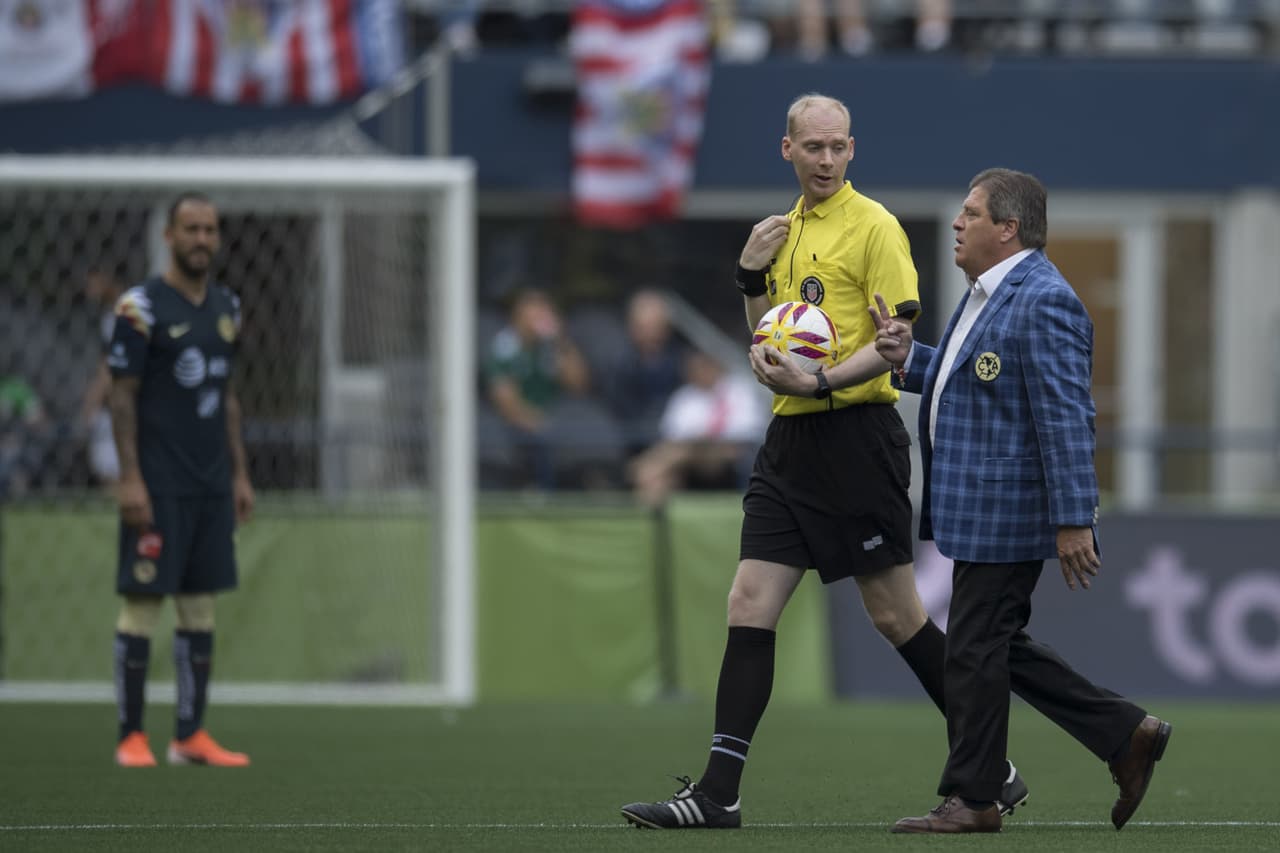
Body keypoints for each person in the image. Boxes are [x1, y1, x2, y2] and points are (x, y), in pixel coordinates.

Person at [619, 93, 1027, 830]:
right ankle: (718, 793)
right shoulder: (782, 232)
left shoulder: (875, 227)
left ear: (852, 147)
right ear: (788, 150)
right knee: (748, 603)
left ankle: (991, 764)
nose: (828, 160)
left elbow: (894, 340)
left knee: (896, 614)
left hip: (857, 435)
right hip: (790, 441)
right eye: (814, 147)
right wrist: (750, 279)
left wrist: (817, 379)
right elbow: (767, 343)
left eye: (838, 146)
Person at [872, 168, 1172, 834]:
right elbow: (971, 378)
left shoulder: (1043, 299)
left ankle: (975, 796)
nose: (957, 222)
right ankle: (1126, 734)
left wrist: (1074, 518)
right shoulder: (990, 293)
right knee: (991, 644)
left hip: (1008, 508)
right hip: (982, 508)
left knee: (975, 648)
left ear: (1007, 228)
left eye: (971, 213)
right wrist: (906, 356)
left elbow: (1067, 415)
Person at [108, 192, 255, 768]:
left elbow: (228, 398)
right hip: (158, 484)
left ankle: (189, 735)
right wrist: (130, 479)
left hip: (211, 486)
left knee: (200, 610)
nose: (201, 239)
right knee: (143, 603)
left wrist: (240, 473)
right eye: (190, 229)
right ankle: (130, 737)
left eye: (210, 230)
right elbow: (122, 399)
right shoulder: (139, 307)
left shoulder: (227, 306)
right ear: (168, 236)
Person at [627, 349, 766, 507]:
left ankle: (645, 470)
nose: (698, 372)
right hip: (689, 454)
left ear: (714, 366)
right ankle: (655, 517)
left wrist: (703, 439)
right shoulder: (684, 396)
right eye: (693, 369)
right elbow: (672, 434)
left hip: (731, 452)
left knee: (661, 464)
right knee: (663, 476)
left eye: (703, 367)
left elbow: (748, 430)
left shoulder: (738, 390)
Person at [484, 288, 590, 489]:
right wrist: (537, 422)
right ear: (518, 317)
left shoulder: (552, 345)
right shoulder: (505, 347)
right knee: (541, 439)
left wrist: (560, 341)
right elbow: (504, 400)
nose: (539, 319)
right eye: (533, 313)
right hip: (515, 422)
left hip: (555, 415)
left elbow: (579, 385)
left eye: (544, 313)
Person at [603, 289, 687, 457]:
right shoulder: (620, 368)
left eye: (656, 327)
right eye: (644, 328)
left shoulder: (684, 364)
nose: (650, 335)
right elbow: (620, 413)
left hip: (676, 444)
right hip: (632, 447)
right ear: (631, 328)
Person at [80, 264, 126, 486]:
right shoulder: (115, 312)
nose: (89, 290)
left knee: (113, 476)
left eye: (93, 282)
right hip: (122, 406)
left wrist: (92, 402)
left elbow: (109, 367)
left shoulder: (122, 312)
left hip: (121, 407)